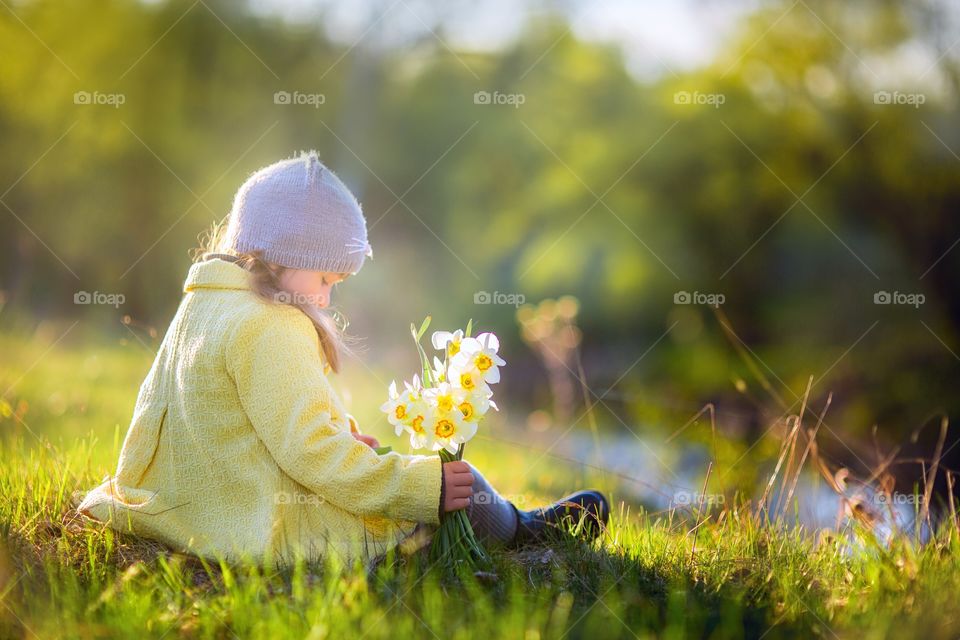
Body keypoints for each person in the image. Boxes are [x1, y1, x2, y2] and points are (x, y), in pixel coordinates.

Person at [79, 151, 609, 566]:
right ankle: (523, 530)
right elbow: (309, 453)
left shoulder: (207, 305)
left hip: (185, 499)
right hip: (256, 520)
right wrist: (415, 485)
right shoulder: (272, 325)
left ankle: (514, 520)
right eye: (326, 278)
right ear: (282, 256)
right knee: (455, 481)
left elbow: (207, 415)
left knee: (390, 468)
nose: (329, 296)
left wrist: (338, 429)